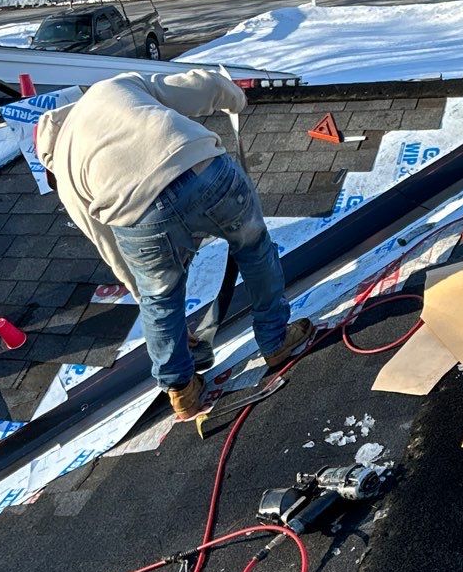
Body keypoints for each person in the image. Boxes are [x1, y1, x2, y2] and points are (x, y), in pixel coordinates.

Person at [36, 67, 309, 417]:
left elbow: (108, 246)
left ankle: (182, 391)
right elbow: (197, 86)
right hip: (202, 170)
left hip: (140, 216)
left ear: (47, 157)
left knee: (161, 297)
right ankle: (276, 340)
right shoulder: (112, 88)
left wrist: (151, 299)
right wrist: (235, 98)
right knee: (254, 249)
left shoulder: (66, 171)